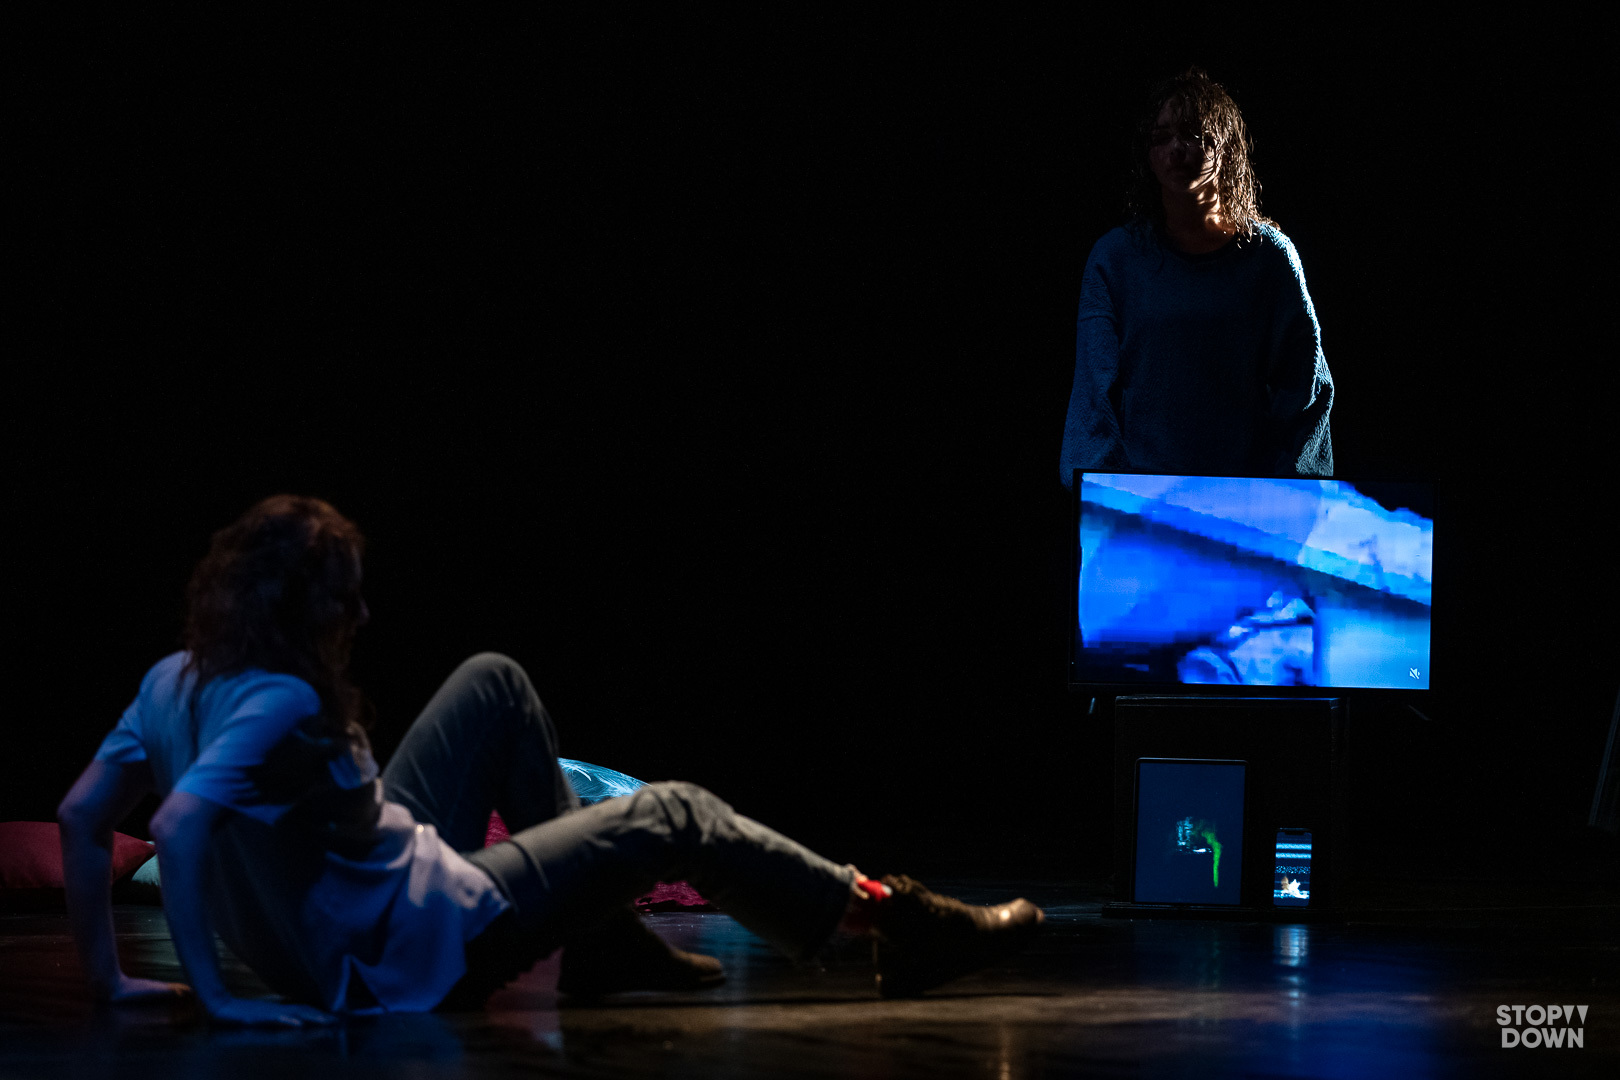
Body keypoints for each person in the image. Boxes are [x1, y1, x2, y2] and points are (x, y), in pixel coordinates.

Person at [57, 495, 1043, 1025]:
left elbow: (80, 815)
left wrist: (113, 985)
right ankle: (894, 921)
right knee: (674, 813)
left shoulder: (170, 679)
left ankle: (598, 939)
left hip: (377, 894)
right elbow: (179, 823)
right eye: (343, 595)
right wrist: (220, 1001)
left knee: (493, 680)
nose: (359, 612)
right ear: (302, 608)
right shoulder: (284, 695)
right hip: (414, 950)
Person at [1059, 67, 1334, 488]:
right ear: (1148, 154)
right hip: (1142, 502)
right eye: (1161, 136)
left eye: (1191, 133)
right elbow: (1093, 398)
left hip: (1244, 500)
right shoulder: (1115, 259)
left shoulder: (1271, 258)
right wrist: (1108, 497)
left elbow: (1305, 390)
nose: (1176, 149)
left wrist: (1292, 495)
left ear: (1224, 145)